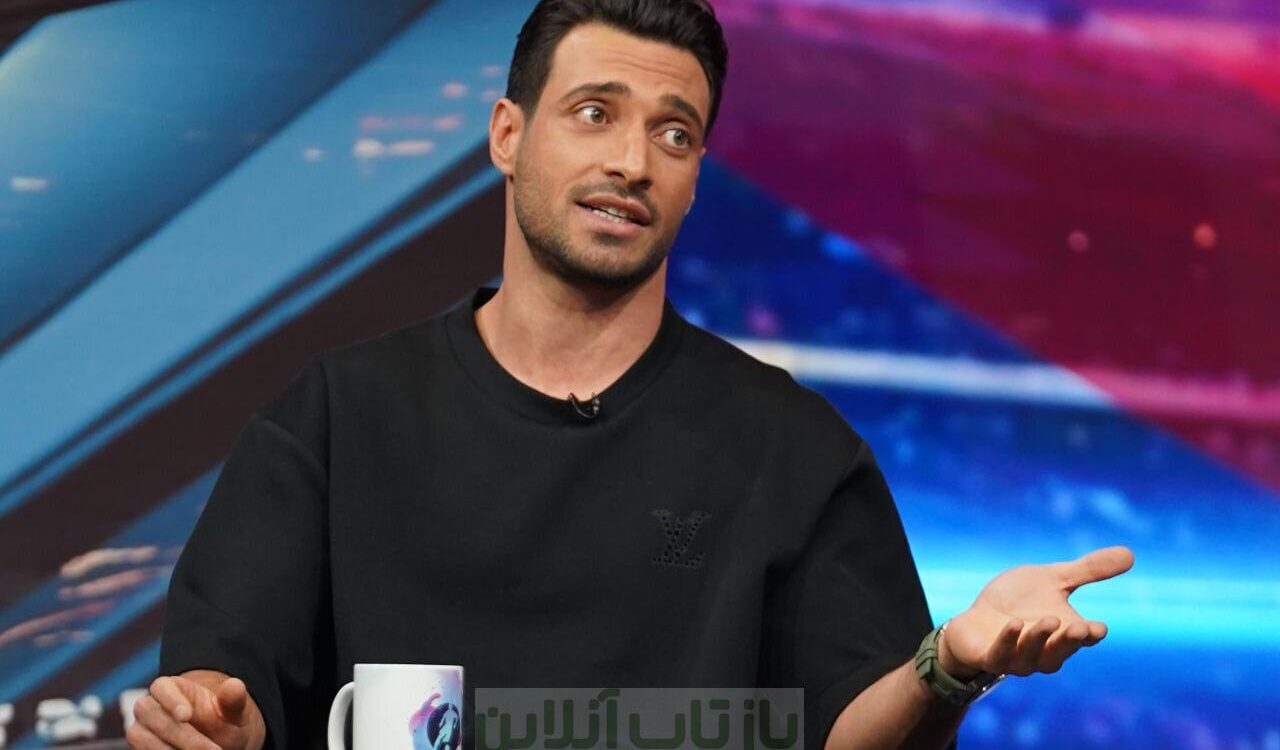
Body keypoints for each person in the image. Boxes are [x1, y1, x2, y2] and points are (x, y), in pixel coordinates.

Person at [127, 2, 1134, 749]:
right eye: (593, 113)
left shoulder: (791, 448)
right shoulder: (337, 417)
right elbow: (225, 696)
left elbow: (849, 730)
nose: (633, 162)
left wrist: (947, 666)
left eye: (673, 133)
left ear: (694, 182)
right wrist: (209, 726)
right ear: (507, 135)